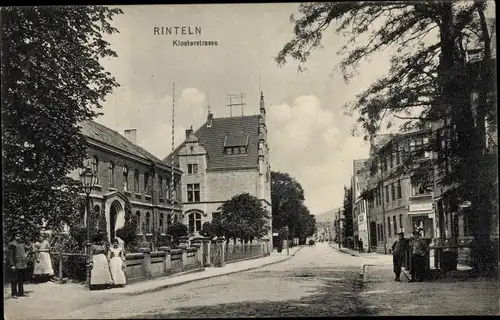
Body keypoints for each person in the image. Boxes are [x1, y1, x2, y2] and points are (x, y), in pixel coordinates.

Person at [6, 231, 29, 299]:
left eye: (19, 236)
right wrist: (12, 264)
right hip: (15, 264)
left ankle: (21, 293)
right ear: (14, 237)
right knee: (14, 279)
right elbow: (10, 256)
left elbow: (28, 249)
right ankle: (14, 293)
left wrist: (26, 254)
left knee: (21, 279)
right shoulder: (12, 244)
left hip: (22, 264)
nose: (19, 237)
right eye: (17, 236)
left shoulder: (22, 243)